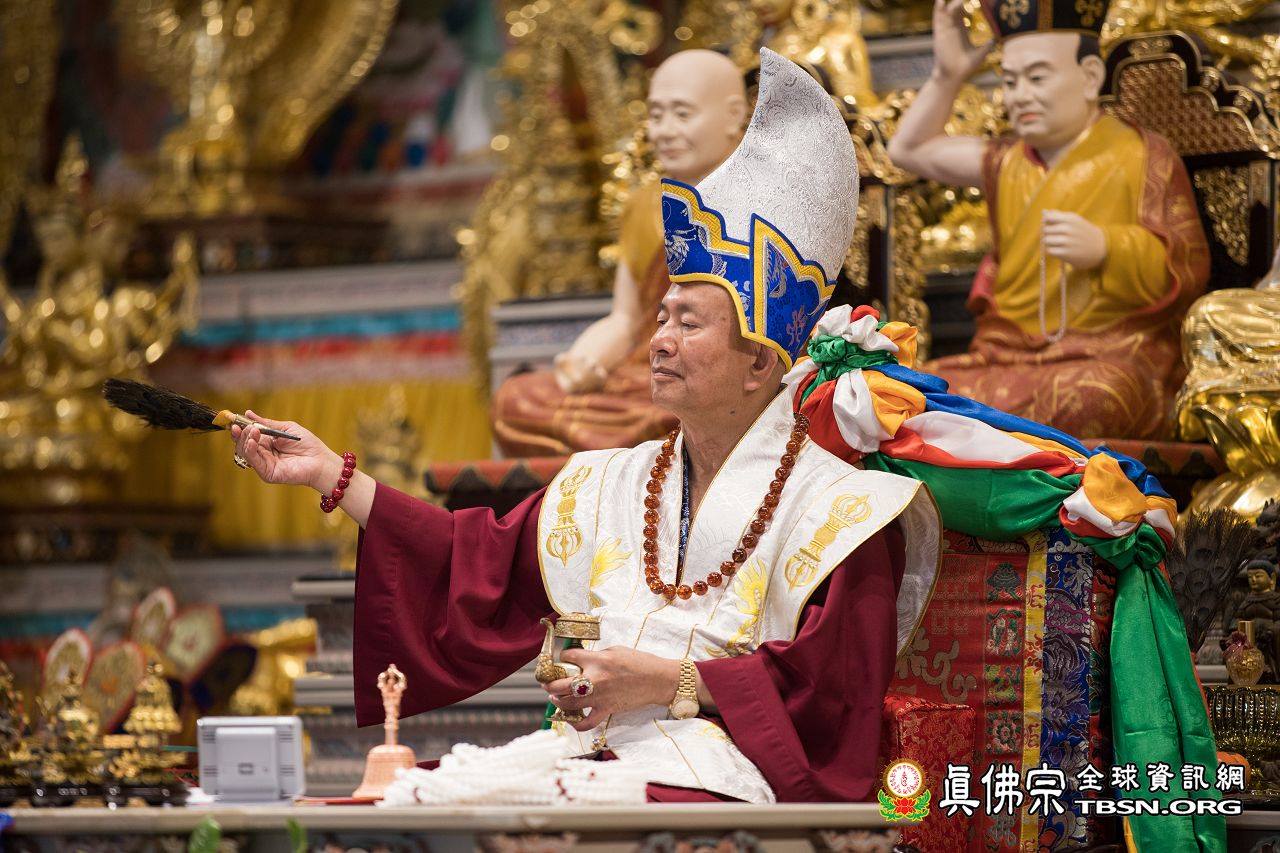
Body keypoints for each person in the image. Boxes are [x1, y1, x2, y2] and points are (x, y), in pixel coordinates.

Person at [230, 49, 941, 803]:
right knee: (409, 801)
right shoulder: (610, 482)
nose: (657, 341)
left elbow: (833, 696)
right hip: (582, 754)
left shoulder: (841, 512)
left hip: (724, 773)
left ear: (761, 363)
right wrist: (332, 475)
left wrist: (672, 682)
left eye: (688, 323)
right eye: (660, 317)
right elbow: (471, 560)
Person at [887, 0, 1209, 440]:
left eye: (1037, 78)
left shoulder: (1141, 154)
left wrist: (1108, 248)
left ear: (1090, 77)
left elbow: (1187, 266)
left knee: (1099, 397)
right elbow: (906, 150)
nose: (1019, 95)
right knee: (906, 393)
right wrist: (948, 74)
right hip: (1005, 357)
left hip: (1106, 356)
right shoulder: (1005, 161)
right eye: (1010, 81)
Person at [492, 50, 748, 456]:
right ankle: (633, 442)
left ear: (734, 116)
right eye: (656, 115)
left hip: (723, 376)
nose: (665, 131)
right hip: (646, 378)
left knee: (706, 403)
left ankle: (637, 441)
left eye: (682, 114)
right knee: (515, 400)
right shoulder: (644, 206)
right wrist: (583, 360)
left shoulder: (757, 205)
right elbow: (626, 319)